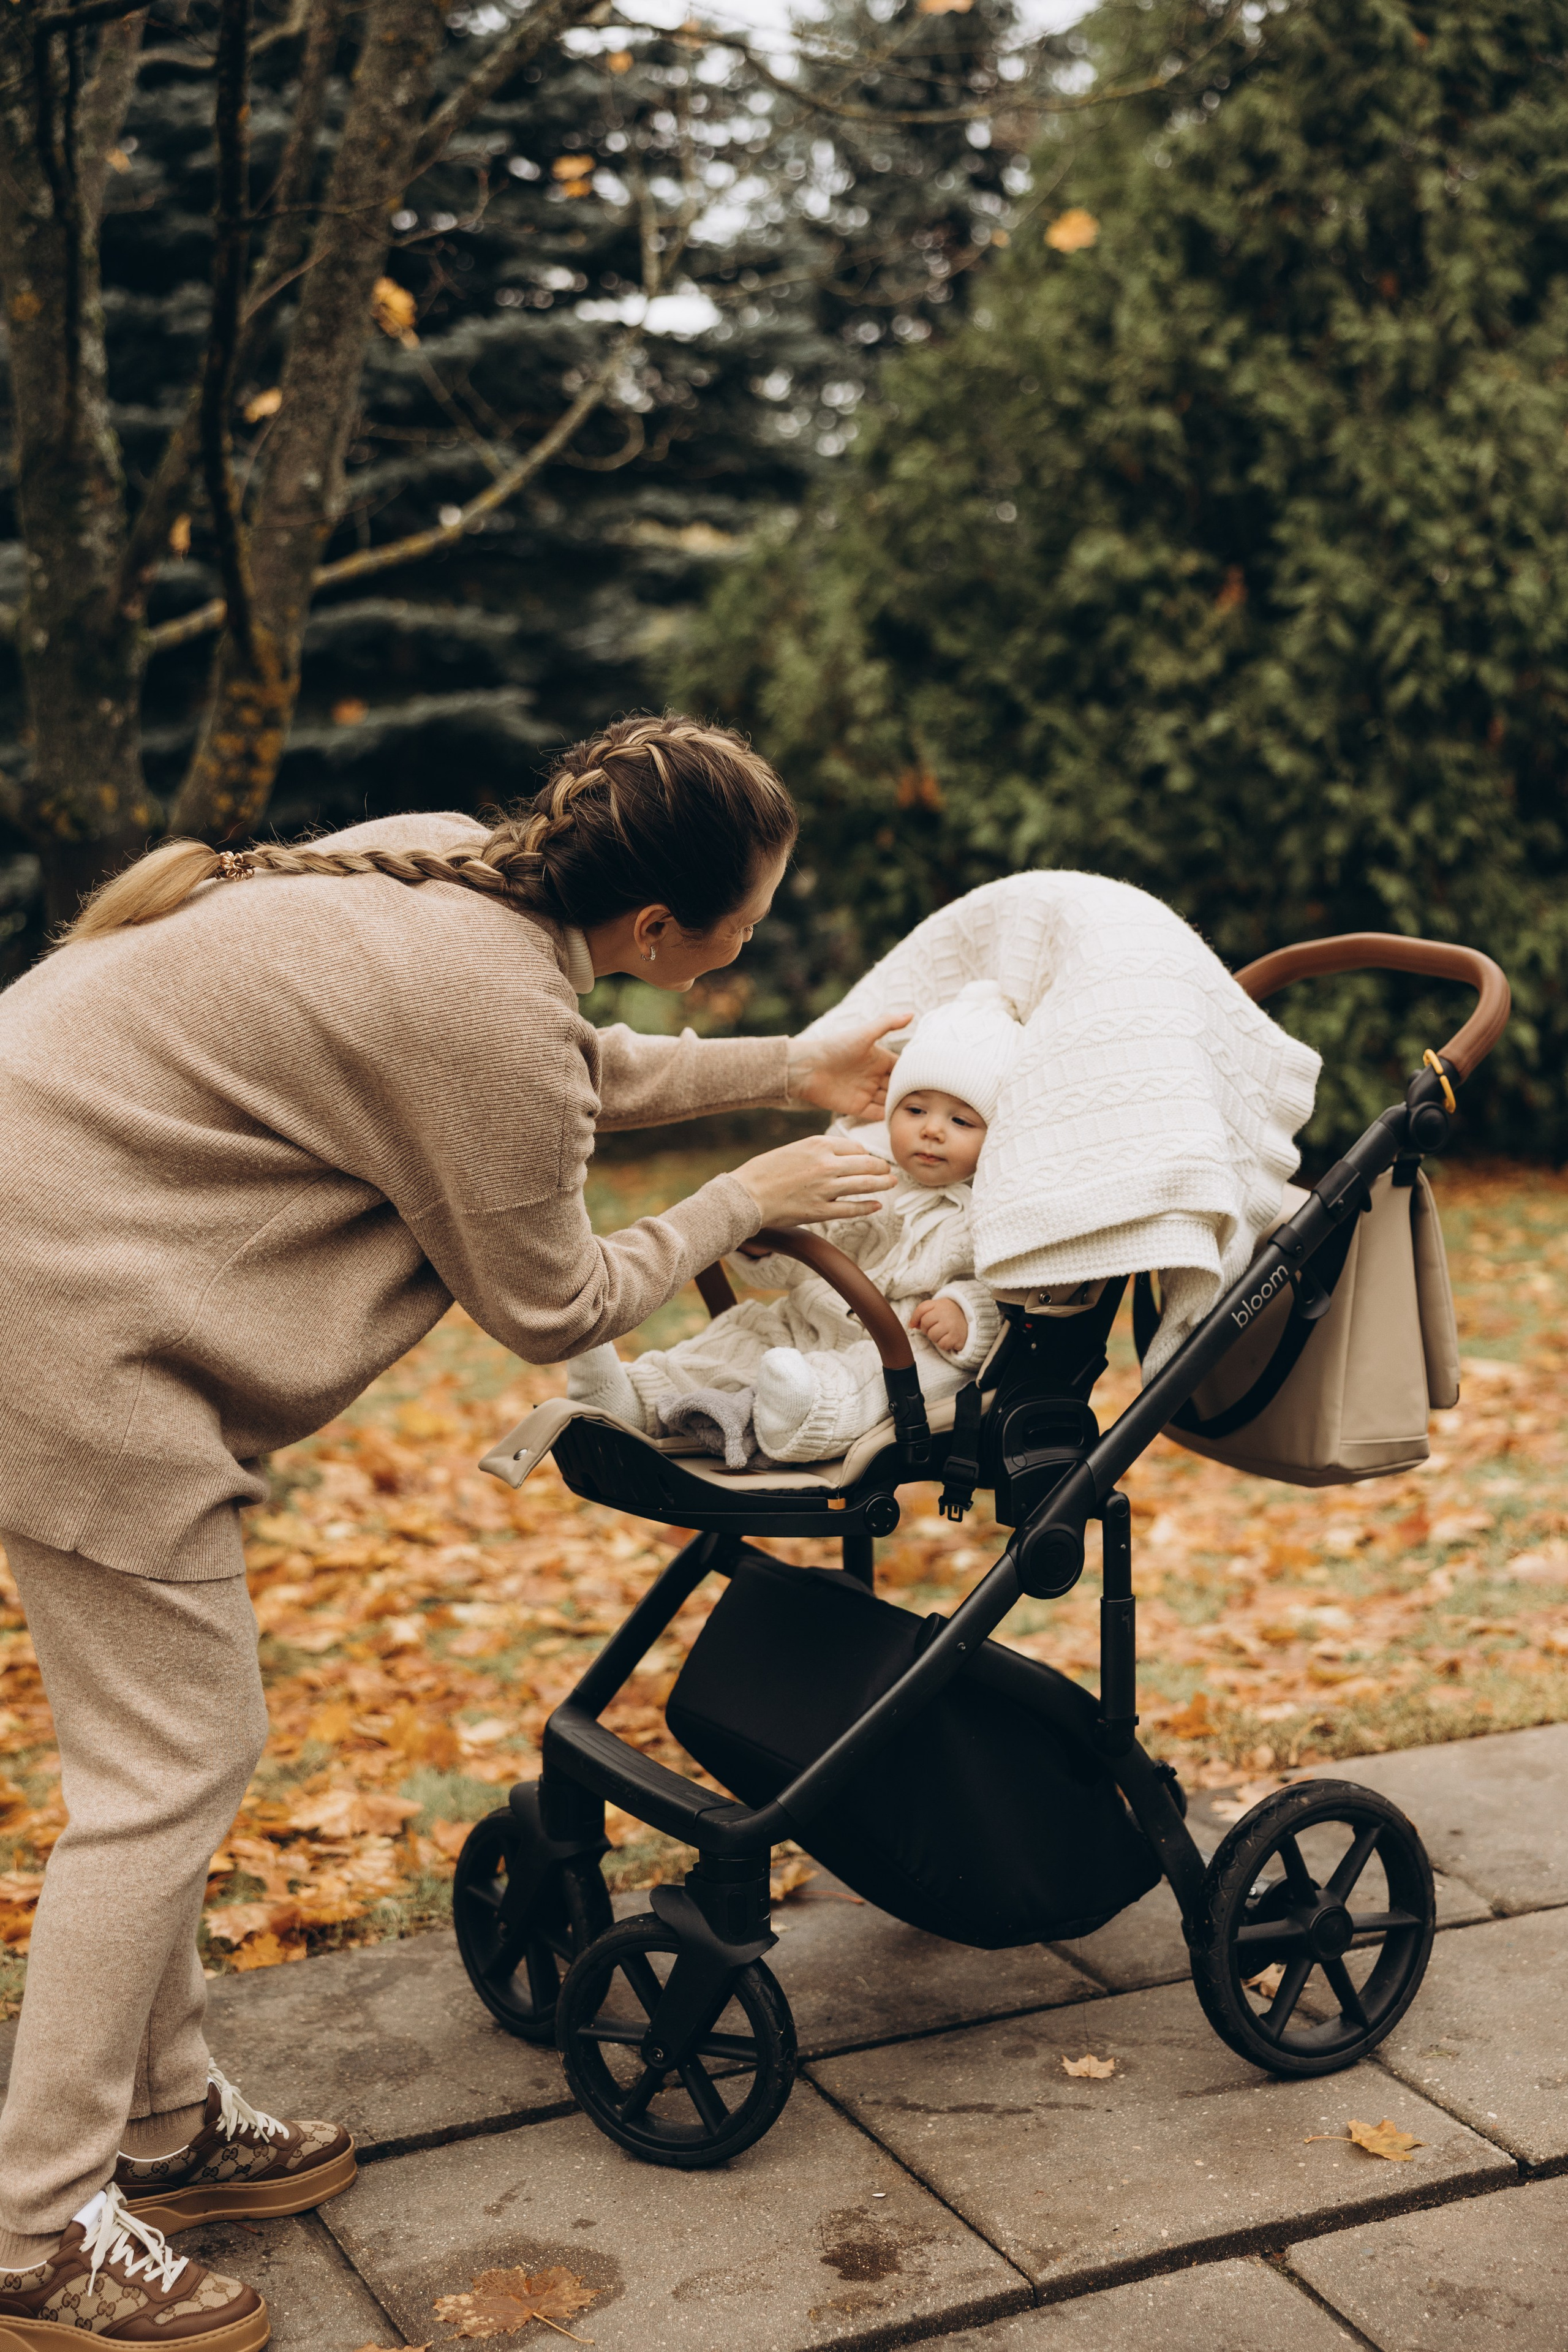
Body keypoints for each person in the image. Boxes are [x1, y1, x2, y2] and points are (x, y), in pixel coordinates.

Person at [0, 714, 902, 2343]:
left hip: (47, 1261)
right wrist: (749, 1197)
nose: (727, 966)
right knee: (167, 1773)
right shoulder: (486, 997)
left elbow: (563, 1070)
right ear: (651, 929)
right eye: (735, 942)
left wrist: (791, 1070)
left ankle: (166, 2125)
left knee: (166, 1752)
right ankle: (39, 2229)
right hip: (67, 1333)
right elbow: (554, 1302)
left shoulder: (462, 871)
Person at [570, 981, 1022, 1463]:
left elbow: (1007, 1292)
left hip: (902, 1345)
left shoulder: (990, 1209)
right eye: (915, 1110)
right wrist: (758, 1250)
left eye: (961, 1122)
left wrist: (965, 1312)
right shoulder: (861, 1173)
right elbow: (801, 1264)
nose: (932, 1129)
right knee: (743, 1336)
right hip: (808, 1323)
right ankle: (631, 1400)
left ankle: (800, 1416)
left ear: (994, 1135)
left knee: (871, 1378)